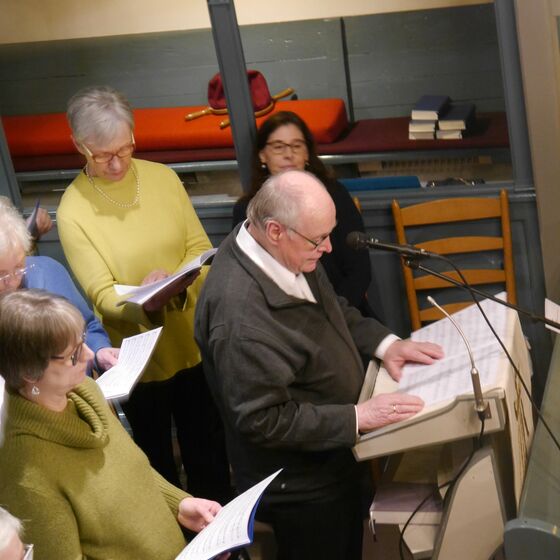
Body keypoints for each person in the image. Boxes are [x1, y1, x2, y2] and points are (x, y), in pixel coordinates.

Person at [195, 170, 444, 560]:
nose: (328, 248)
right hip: (300, 487)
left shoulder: (283, 248)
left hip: (335, 458)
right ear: (274, 230)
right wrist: (357, 417)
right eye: (319, 239)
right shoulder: (239, 316)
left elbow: (332, 308)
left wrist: (386, 344)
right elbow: (262, 419)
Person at [56, 85, 231, 501]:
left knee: (209, 454)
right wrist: (145, 301)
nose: (117, 163)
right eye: (102, 155)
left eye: (125, 148)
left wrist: (175, 283)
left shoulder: (162, 178)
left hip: (192, 337)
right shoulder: (73, 210)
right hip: (133, 357)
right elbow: (101, 294)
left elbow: (199, 248)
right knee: (157, 467)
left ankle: (222, 532)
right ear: (78, 145)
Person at [0, 290, 224, 560]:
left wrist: (180, 503)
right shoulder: (25, 472)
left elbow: (131, 469)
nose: (88, 355)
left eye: (83, 340)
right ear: (29, 372)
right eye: (72, 355)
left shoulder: (86, 391)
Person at [232, 110, 374, 317]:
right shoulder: (247, 210)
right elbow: (249, 280)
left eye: (297, 146)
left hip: (344, 314)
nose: (288, 154)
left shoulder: (334, 195)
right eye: (278, 147)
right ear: (262, 155)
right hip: (280, 322)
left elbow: (360, 270)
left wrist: (332, 316)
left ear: (307, 154)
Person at [0, 197, 118, 372]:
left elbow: (87, 327)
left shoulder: (48, 271)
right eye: (1, 275)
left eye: (19, 267)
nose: (12, 282)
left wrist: (99, 352)